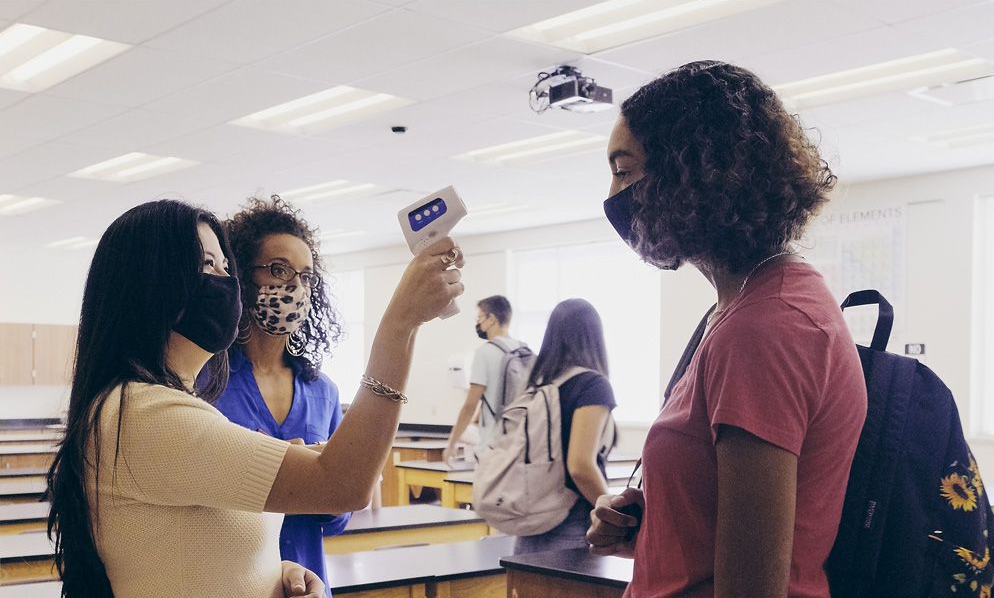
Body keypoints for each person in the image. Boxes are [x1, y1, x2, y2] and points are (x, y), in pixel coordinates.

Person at [46, 199, 463, 598]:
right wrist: (401, 323)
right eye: (208, 265)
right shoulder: (146, 414)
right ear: (150, 285)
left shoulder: (153, 406)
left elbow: (193, 548)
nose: (225, 283)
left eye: (225, 266)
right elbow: (344, 484)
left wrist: (274, 572)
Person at [586, 61, 867, 597]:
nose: (614, 194)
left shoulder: (766, 328)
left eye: (624, 171)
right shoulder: (745, 308)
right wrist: (650, 521)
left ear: (690, 174)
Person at [210, 196, 351, 597]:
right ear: (240, 276)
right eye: (278, 269)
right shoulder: (206, 383)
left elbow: (338, 518)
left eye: (305, 276)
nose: (293, 286)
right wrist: (277, 473)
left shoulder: (323, 390)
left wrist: (331, 493)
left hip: (309, 586)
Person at [512, 298, 617, 555]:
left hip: (531, 518)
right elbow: (580, 466)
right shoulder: (592, 385)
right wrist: (613, 516)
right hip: (572, 523)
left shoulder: (537, 384)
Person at [443, 295, 528, 463]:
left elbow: (470, 405)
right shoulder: (524, 350)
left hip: (493, 446)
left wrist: (452, 442)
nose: (479, 323)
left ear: (491, 319)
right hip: (522, 444)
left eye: (480, 317)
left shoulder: (485, 353)